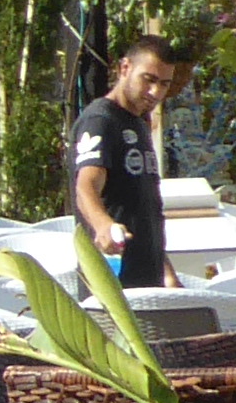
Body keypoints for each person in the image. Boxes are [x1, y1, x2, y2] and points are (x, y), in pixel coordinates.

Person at [72, 35, 184, 289]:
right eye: (149, 80)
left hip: (147, 275)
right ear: (125, 68)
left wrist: (166, 272)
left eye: (164, 84)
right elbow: (86, 186)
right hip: (112, 277)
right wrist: (103, 225)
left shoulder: (138, 121)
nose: (155, 92)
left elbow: (142, 205)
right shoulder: (101, 120)